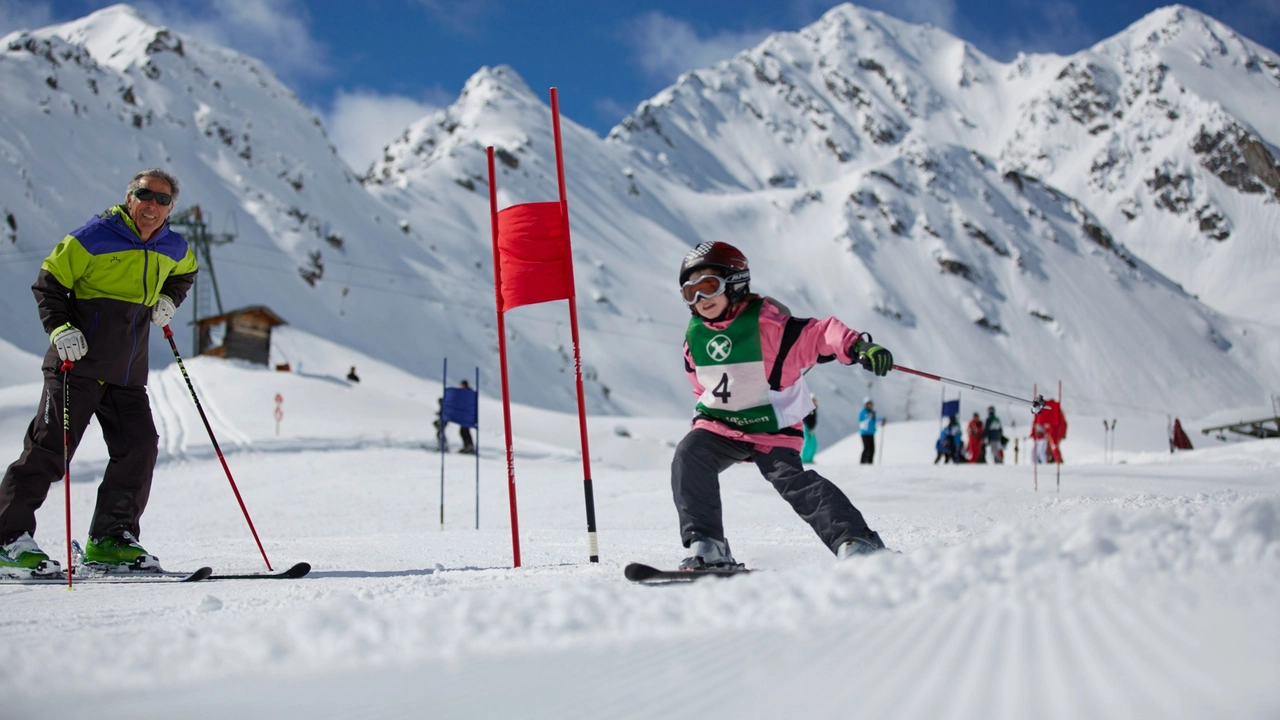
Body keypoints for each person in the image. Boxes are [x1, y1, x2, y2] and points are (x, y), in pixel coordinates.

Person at [0, 169, 197, 575]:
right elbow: (49, 283)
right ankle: (6, 539)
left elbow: (186, 272)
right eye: (145, 195)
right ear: (130, 197)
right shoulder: (93, 236)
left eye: (162, 200)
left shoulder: (175, 246)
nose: (152, 206)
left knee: (139, 448)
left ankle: (110, 539)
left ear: (171, 208)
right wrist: (59, 328)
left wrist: (168, 298)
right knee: (49, 451)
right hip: (78, 364)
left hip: (126, 371)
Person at [671, 241, 891, 569]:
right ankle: (708, 545)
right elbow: (700, 383)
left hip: (771, 427)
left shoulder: (770, 328)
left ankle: (856, 541)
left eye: (708, 287)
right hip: (721, 425)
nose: (700, 300)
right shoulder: (695, 338)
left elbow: (819, 334)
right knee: (690, 455)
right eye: (690, 293)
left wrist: (856, 346)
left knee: (795, 483)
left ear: (735, 282)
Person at [457, 379, 476, 455]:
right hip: (465, 416)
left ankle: (469, 446)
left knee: (464, 431)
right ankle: (467, 446)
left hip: (467, 416)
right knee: (464, 431)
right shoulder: (467, 393)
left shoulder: (467, 394)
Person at [858, 398, 878, 464]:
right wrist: (869, 417)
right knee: (867, 448)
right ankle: (863, 462)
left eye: (871, 404)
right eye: (869, 404)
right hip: (864, 433)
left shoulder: (872, 412)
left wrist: (882, 421)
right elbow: (862, 421)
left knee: (872, 449)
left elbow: (875, 422)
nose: (870, 405)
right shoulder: (863, 412)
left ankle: (870, 462)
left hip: (871, 433)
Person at [800, 395, 818, 464]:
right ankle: (804, 459)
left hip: (810, 427)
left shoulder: (813, 409)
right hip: (807, 427)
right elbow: (807, 419)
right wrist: (810, 428)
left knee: (813, 443)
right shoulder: (809, 409)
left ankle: (809, 458)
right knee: (807, 442)